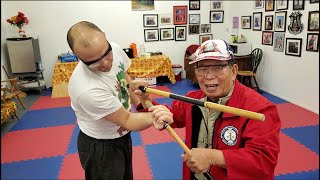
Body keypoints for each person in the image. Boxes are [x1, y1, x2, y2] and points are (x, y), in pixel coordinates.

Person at [132, 39, 281, 180]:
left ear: (234, 71)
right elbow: (171, 117)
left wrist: (212, 157)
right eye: (202, 68)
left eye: (218, 67)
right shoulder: (193, 99)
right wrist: (146, 99)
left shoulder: (259, 108)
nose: (208, 76)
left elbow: (264, 162)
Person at [66, 21, 173, 180]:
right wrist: (156, 115)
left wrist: (139, 103)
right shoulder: (86, 89)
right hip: (100, 146)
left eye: (106, 54)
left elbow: (123, 75)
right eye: (93, 62)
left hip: (121, 135)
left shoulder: (114, 49)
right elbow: (128, 119)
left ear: (104, 36)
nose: (105, 63)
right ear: (77, 56)